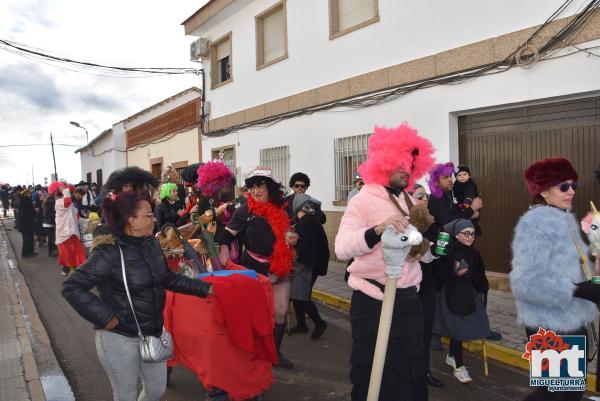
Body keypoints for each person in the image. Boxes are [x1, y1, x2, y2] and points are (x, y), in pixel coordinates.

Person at [62, 192, 212, 401]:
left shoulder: (151, 244)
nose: (154, 219)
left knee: (156, 390)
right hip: (119, 337)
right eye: (149, 215)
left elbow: (167, 278)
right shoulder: (109, 251)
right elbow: (72, 286)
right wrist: (106, 318)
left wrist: (204, 289)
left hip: (152, 331)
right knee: (126, 395)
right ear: (132, 221)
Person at [335, 123, 435, 401]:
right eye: (401, 164)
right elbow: (342, 249)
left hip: (408, 299)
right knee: (374, 376)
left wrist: (432, 251)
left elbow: (415, 252)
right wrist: (376, 230)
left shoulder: (407, 200)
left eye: (411, 165)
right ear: (384, 163)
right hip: (372, 299)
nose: (407, 170)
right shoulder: (363, 200)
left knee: (411, 372)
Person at [510, 157, 600, 401]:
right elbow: (525, 283)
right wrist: (576, 290)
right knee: (558, 393)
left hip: (568, 318)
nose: (571, 191)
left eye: (574, 185)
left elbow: (572, 269)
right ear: (543, 191)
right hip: (549, 322)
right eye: (563, 186)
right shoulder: (537, 223)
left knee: (566, 391)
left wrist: (593, 274)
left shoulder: (562, 219)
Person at [217, 166, 295, 369]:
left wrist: (294, 239)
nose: (256, 191)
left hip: (279, 267)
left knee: (280, 311)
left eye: (260, 185)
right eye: (252, 187)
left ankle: (274, 354)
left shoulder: (285, 208)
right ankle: (252, 355)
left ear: (269, 187)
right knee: (256, 315)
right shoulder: (244, 210)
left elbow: (292, 234)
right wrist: (224, 252)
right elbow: (226, 236)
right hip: (252, 268)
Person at [435, 218, 490, 384]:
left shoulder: (474, 253)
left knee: (461, 328)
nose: (470, 236)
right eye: (466, 233)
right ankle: (458, 366)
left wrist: (482, 290)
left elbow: (479, 275)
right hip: (451, 295)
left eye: (472, 234)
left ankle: (452, 356)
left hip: (467, 295)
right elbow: (440, 272)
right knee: (457, 328)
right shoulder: (447, 251)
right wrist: (454, 273)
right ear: (457, 236)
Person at [289, 193, 330, 339]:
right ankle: (301, 325)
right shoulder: (308, 220)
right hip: (311, 263)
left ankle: (320, 323)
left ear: (297, 206)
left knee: (301, 297)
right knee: (297, 294)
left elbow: (304, 248)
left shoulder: (306, 222)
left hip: (308, 264)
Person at [55, 184, 87, 276]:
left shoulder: (71, 203)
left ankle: (76, 269)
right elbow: (66, 202)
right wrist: (65, 190)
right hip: (64, 232)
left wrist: (86, 221)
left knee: (76, 252)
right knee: (67, 252)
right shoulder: (59, 202)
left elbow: (76, 215)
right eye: (71, 192)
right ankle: (67, 268)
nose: (73, 194)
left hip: (72, 231)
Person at [17, 188, 37, 257]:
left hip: (25, 223)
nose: (30, 194)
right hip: (27, 223)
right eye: (29, 193)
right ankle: (26, 253)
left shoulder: (23, 200)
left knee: (29, 238)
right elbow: (27, 212)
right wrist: (34, 211)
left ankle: (30, 252)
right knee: (27, 239)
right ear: (26, 193)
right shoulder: (25, 201)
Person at [43, 183, 59, 257]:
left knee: (51, 237)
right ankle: (50, 252)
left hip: (47, 222)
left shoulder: (48, 198)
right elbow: (51, 212)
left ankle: (52, 250)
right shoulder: (50, 199)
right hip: (49, 222)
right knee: (50, 238)